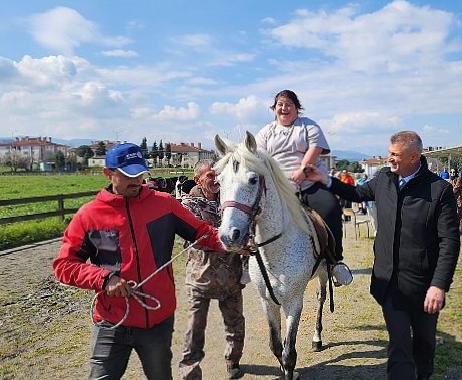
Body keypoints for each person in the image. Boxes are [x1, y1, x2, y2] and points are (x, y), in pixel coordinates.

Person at [52, 143, 225, 380]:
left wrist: (235, 241)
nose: (136, 181)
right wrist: (104, 279)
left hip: (157, 321)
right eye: (127, 175)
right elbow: (64, 266)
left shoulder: (165, 204)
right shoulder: (89, 215)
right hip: (111, 321)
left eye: (139, 173)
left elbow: (204, 233)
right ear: (108, 173)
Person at [305, 130, 460, 379]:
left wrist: (439, 285)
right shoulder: (384, 179)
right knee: (399, 346)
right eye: (389, 153)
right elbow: (356, 194)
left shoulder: (439, 190)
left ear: (414, 157)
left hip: (424, 286)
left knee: (424, 345)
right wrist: (326, 180)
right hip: (389, 284)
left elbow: (450, 242)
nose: (389, 159)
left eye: (395, 155)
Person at [255, 89, 352, 286]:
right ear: (274, 109)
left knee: (331, 208)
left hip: (309, 182)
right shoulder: (265, 132)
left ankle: (335, 262)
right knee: (254, 211)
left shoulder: (308, 126)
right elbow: (259, 159)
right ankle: (248, 258)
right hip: (279, 188)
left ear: (297, 108)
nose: (284, 108)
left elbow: (315, 150)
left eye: (289, 104)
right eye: (280, 104)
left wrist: (302, 171)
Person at [179, 160, 246, 380]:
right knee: (194, 328)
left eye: (217, 174)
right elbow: (196, 235)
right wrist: (233, 241)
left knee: (235, 323)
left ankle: (233, 361)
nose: (215, 179)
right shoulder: (188, 204)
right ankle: (190, 370)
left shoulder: (230, 201)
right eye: (210, 175)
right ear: (198, 179)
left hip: (231, 275)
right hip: (201, 278)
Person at [448, 169, 462, 235]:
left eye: (454, 172)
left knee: (461, 214)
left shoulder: (459, 179)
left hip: (460, 198)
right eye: (451, 172)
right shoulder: (450, 180)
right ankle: (455, 228)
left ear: (456, 172)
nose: (452, 173)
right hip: (453, 199)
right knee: (454, 213)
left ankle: (461, 229)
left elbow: (456, 188)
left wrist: (449, 193)